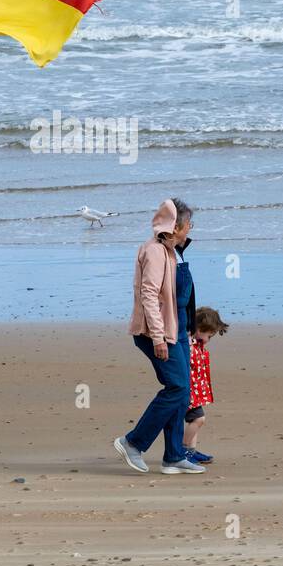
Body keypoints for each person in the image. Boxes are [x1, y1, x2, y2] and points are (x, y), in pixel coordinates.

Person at [113, 198, 205, 474]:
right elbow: (149, 296)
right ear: (176, 226)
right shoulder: (154, 251)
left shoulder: (173, 251)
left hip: (178, 328)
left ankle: (174, 455)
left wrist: (190, 329)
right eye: (189, 224)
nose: (191, 229)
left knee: (183, 391)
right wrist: (158, 338)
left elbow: (181, 297)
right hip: (158, 332)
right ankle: (133, 442)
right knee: (176, 388)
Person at [183, 306, 228, 464]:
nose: (209, 340)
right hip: (188, 393)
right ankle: (183, 449)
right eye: (209, 335)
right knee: (199, 419)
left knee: (193, 421)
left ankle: (190, 451)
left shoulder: (197, 345)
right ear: (199, 329)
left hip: (196, 392)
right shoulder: (188, 345)